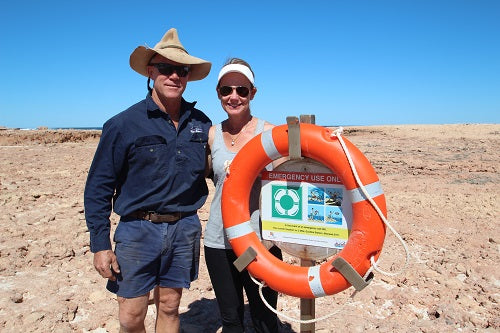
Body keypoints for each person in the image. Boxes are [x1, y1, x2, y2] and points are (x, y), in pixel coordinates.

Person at [84, 28, 212, 333]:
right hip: (137, 231)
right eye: (165, 69)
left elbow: (219, 167)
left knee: (170, 306)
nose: (174, 76)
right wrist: (100, 244)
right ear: (151, 72)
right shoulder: (122, 124)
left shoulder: (202, 124)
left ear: (187, 76)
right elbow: (99, 187)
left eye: (181, 70)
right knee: (131, 317)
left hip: (185, 228)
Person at [204, 58, 283, 333]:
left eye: (242, 90)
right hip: (218, 241)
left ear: (253, 92)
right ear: (218, 93)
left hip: (261, 241)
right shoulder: (212, 135)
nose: (233, 96)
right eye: (226, 90)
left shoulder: (271, 133)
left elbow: (299, 174)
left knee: (264, 321)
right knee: (231, 321)